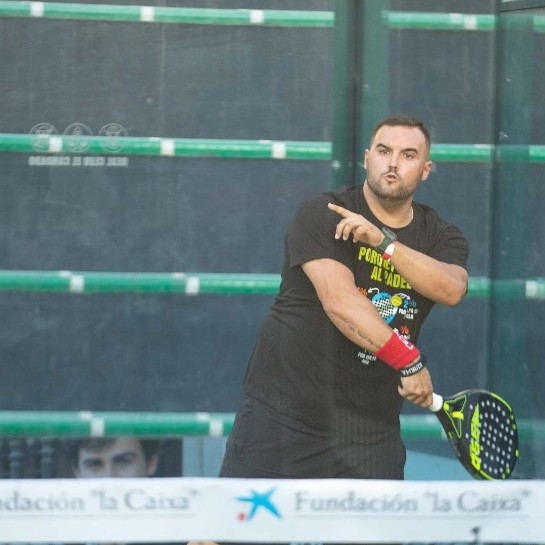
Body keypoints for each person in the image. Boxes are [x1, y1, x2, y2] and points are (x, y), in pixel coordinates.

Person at [190, 115, 469, 545]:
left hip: (370, 431)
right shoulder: (324, 212)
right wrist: (409, 362)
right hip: (286, 413)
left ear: (425, 169)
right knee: (219, 537)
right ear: (367, 158)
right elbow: (341, 304)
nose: (393, 163)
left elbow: (451, 288)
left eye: (408, 155)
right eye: (384, 151)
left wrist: (384, 243)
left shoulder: (440, 235)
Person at [68, 437, 164, 545]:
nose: (109, 477)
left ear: (151, 463)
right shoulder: (59, 536)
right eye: (95, 465)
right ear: (77, 472)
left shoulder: (177, 533)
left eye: (123, 461)